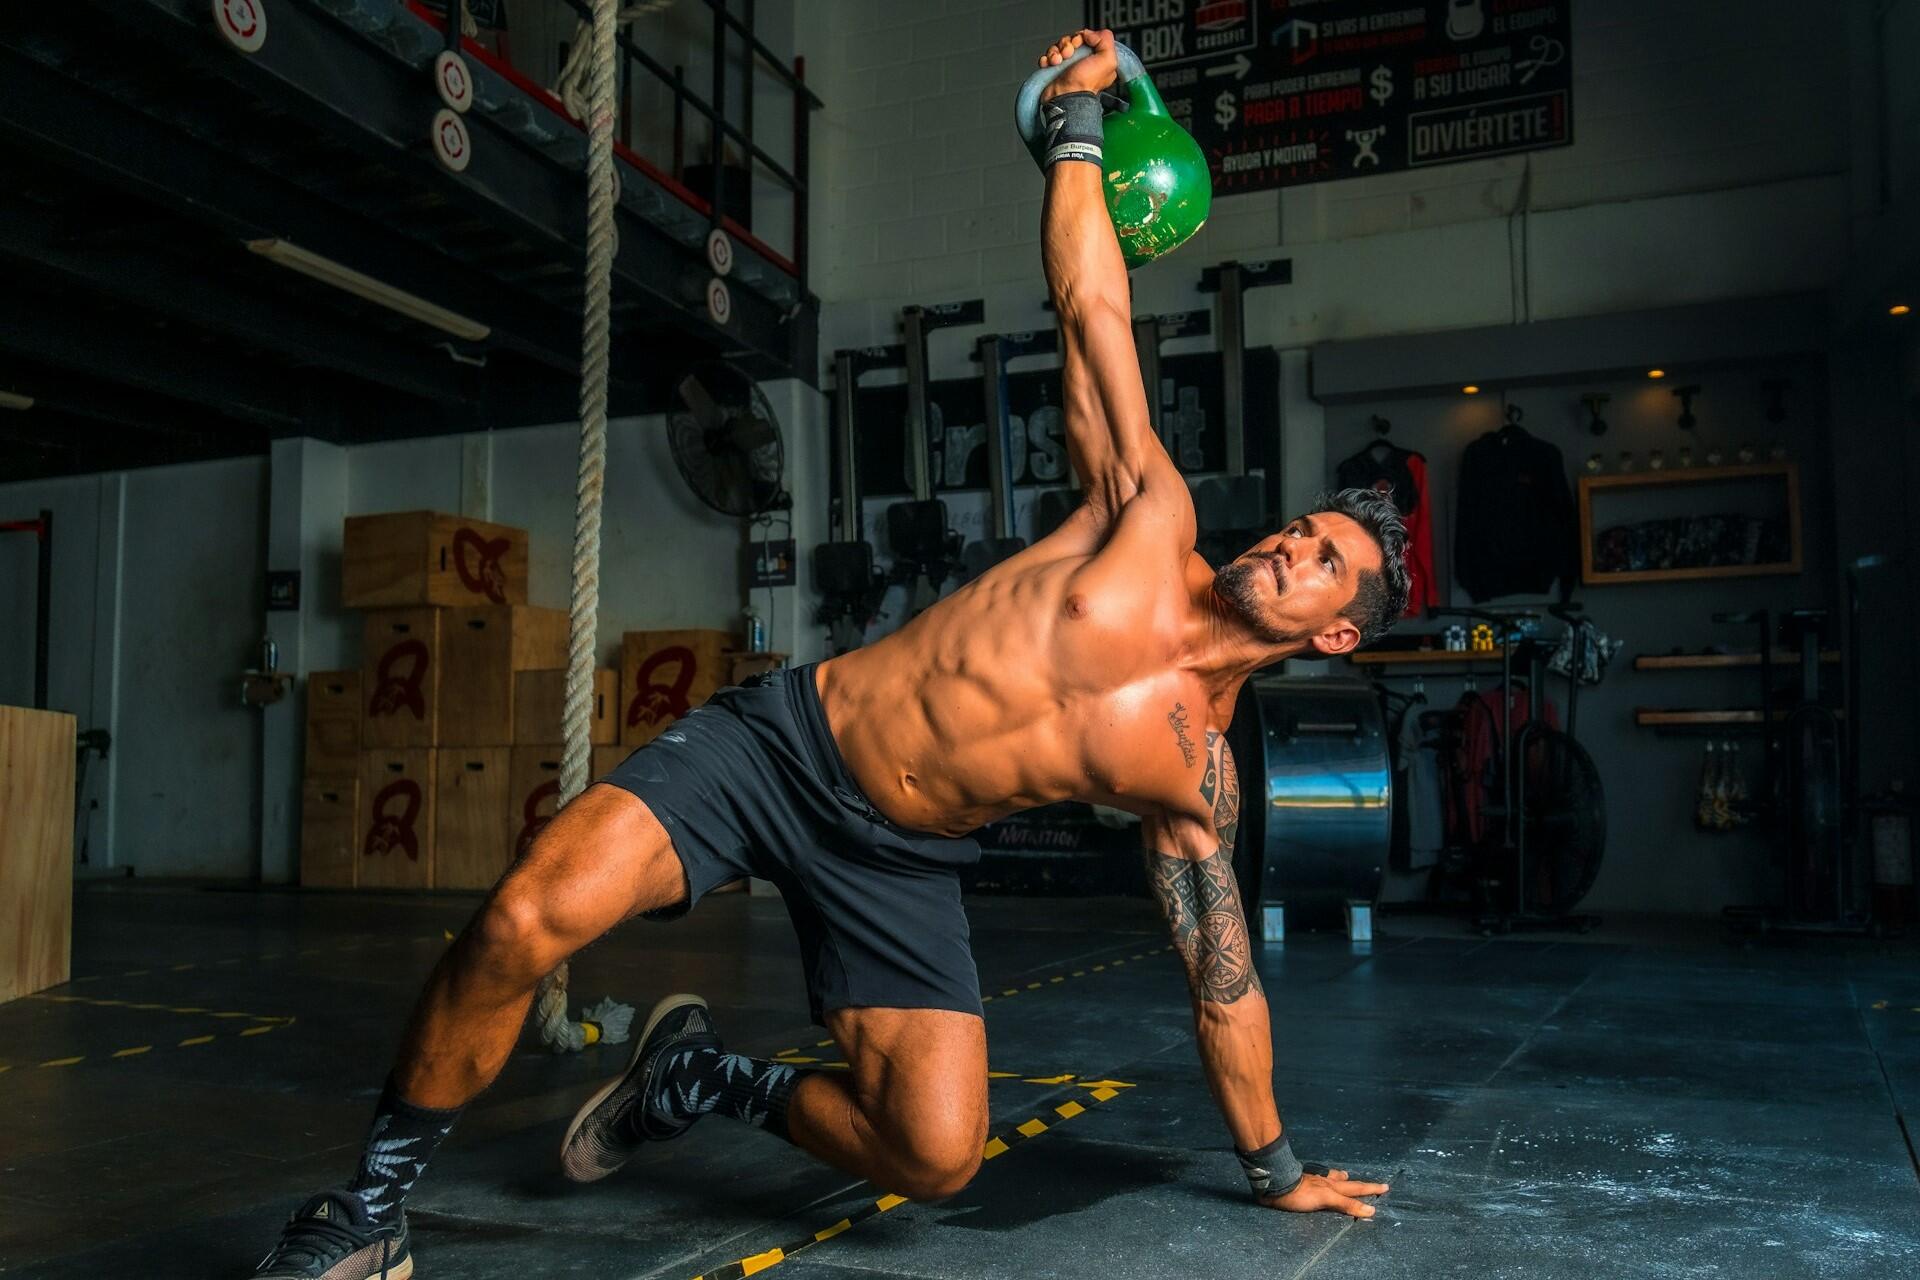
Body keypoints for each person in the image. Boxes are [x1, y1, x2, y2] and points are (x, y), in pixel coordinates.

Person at [250, 28, 1407, 1280]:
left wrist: (1277, 1170)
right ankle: (368, 1209)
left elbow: (1222, 980)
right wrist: (1079, 120)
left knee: (938, 1152)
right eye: (1304, 527)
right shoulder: (1149, 518)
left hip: (898, 860)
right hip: (784, 746)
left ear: (1336, 630)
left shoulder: (1202, 775)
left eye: (1325, 561)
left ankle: (696, 1075)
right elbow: (1093, 300)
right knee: (527, 914)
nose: (1293, 547)